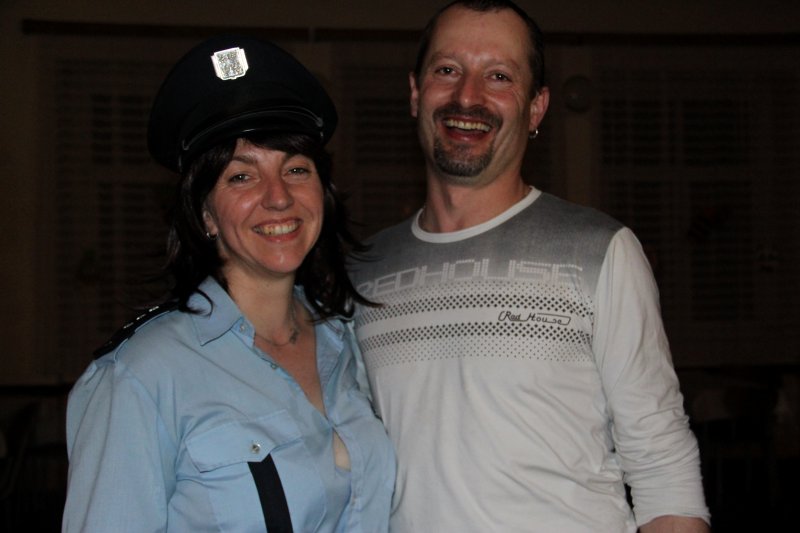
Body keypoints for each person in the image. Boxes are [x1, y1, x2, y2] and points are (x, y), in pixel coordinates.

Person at [349, 1, 710, 532]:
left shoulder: (599, 252)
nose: (467, 96)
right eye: (447, 70)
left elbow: (664, 469)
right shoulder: (361, 272)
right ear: (415, 93)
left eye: (499, 76)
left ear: (536, 108)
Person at [62, 34, 395, 532]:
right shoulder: (142, 377)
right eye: (242, 176)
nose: (278, 197)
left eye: (296, 169)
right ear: (205, 214)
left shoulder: (349, 341)